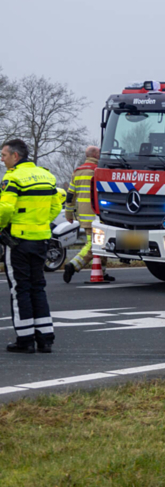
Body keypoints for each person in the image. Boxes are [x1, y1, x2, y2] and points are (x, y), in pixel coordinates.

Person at [0, 139, 63, 353]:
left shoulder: (13, 178)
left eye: (4, 155)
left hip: (18, 241)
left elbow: (6, 208)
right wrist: (40, 222)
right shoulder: (47, 176)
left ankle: (25, 339)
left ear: (15, 156)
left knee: (20, 289)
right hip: (41, 239)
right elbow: (56, 205)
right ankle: (45, 339)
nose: (2, 159)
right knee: (38, 287)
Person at [63, 146, 114, 283]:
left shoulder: (77, 172)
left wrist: (69, 213)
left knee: (101, 243)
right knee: (94, 245)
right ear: (96, 155)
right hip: (98, 214)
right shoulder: (98, 171)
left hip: (84, 215)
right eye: (99, 152)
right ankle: (73, 265)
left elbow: (70, 196)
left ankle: (102, 272)